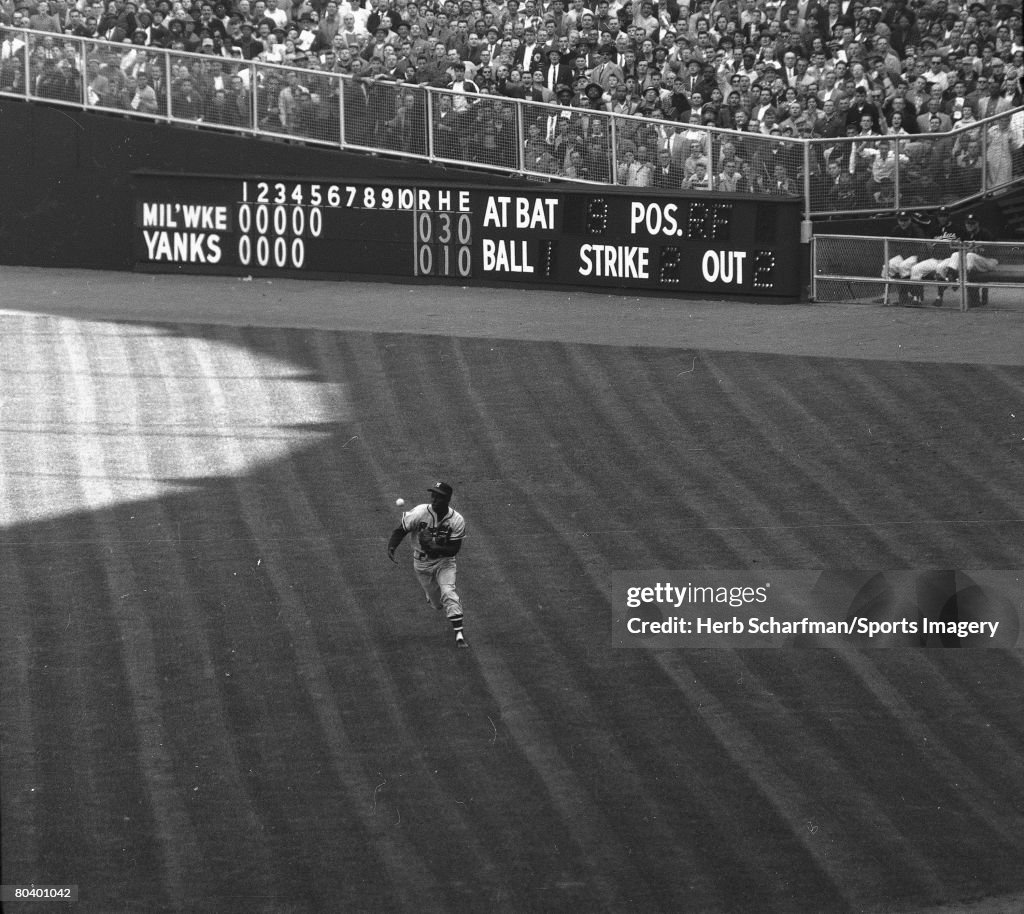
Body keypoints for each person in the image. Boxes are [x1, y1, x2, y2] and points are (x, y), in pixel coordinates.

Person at [387, 481, 469, 648]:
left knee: (449, 592)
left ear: (447, 499)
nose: (433, 499)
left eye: (438, 496)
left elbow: (454, 549)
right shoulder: (420, 512)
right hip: (422, 564)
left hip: (444, 562)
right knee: (438, 604)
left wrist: (435, 547)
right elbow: (401, 529)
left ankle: (459, 634)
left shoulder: (457, 520)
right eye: (433, 495)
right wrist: (392, 547)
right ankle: (432, 596)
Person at [883, 210, 925, 305]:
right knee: (888, 266)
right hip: (902, 256)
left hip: (915, 256)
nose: (903, 222)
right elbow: (891, 246)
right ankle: (885, 296)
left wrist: (920, 259)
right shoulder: (896, 230)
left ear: (910, 219)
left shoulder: (916, 230)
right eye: (901, 220)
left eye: (905, 220)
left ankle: (914, 295)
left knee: (903, 266)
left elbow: (922, 246)